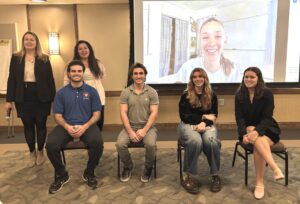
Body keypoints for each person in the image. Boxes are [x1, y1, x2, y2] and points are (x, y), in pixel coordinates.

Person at [46, 60, 103, 194]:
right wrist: (67, 127)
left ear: (82, 73)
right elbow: (58, 116)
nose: (76, 73)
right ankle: (62, 174)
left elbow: (96, 114)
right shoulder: (61, 93)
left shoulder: (92, 91)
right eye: (73, 71)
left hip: (87, 125)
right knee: (50, 144)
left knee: (97, 143)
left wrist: (85, 126)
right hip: (66, 125)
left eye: (79, 71)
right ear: (68, 73)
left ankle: (89, 173)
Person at [5, 31, 56, 167]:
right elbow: (12, 79)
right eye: (26, 39)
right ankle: (31, 152)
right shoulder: (16, 58)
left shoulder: (44, 58)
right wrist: (8, 100)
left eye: (31, 39)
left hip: (42, 96)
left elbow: (50, 79)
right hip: (22, 95)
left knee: (40, 125)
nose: (28, 41)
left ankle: (40, 151)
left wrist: (54, 99)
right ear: (23, 42)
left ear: (36, 42)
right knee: (28, 126)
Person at [235, 67, 284, 200]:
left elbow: (267, 117)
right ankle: (275, 168)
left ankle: (259, 182)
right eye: (246, 77)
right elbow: (239, 119)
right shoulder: (239, 94)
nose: (248, 79)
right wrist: (244, 134)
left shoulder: (267, 93)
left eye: (252, 77)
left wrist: (256, 132)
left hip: (267, 128)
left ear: (258, 78)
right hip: (248, 130)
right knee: (251, 130)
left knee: (257, 143)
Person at [177, 68, 222, 194]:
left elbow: (213, 116)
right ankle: (189, 176)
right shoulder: (185, 95)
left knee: (211, 141)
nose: (198, 79)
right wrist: (202, 117)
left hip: (206, 125)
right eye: (195, 77)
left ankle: (215, 175)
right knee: (195, 141)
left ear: (205, 78)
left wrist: (204, 123)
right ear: (191, 79)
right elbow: (185, 116)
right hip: (188, 124)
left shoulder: (212, 95)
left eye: (200, 76)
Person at [160, 17, 242, 83]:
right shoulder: (188, 67)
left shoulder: (235, 70)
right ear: (200, 41)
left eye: (217, 36)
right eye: (205, 37)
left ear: (225, 39)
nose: (211, 43)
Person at [115, 62, 159, 183]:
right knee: (120, 144)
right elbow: (123, 113)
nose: (138, 76)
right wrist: (129, 131)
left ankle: (148, 167)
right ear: (132, 76)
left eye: (141, 73)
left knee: (150, 145)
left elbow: (154, 113)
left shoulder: (152, 92)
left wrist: (144, 130)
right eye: (135, 73)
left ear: (145, 75)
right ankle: (128, 165)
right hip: (130, 126)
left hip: (148, 127)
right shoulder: (126, 92)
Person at [64, 40, 106, 131]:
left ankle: (97, 142)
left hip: (98, 94)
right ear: (76, 51)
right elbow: (66, 81)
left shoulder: (97, 63)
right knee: (84, 122)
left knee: (99, 121)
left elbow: (101, 77)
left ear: (89, 49)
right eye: (80, 49)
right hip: (81, 95)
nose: (83, 50)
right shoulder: (71, 64)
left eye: (85, 48)